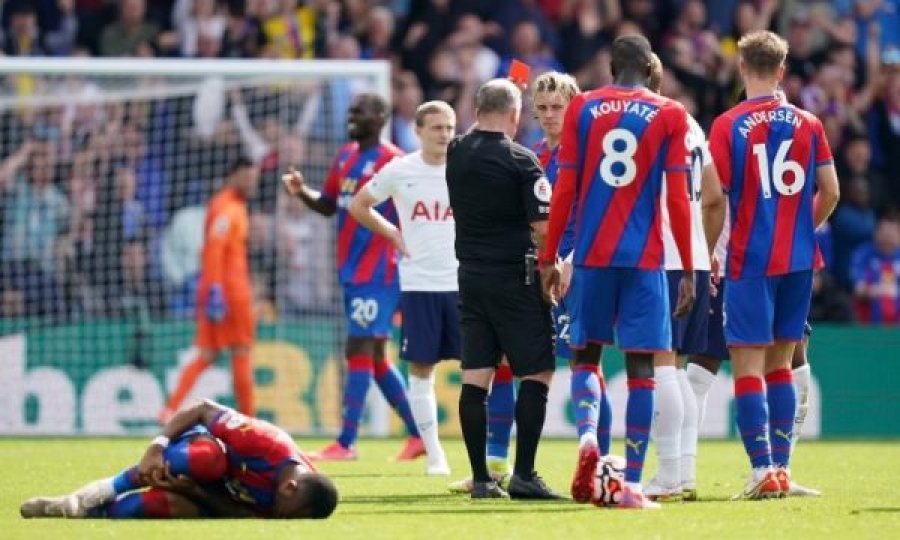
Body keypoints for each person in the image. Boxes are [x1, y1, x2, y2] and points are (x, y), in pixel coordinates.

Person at [541, 34, 697, 510]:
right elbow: (676, 197)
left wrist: (550, 256)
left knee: (586, 357)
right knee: (643, 368)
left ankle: (589, 437)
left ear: (610, 67)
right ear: (651, 65)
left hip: (590, 255)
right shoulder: (670, 113)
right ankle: (626, 479)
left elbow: (564, 187)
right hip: (644, 259)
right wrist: (688, 265)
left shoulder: (583, 107)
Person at [707, 30, 839, 500]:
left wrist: (706, 254)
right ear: (782, 69)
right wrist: (803, 228)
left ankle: (762, 469)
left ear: (742, 68)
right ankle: (781, 469)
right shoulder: (810, 123)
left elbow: (714, 197)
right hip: (798, 260)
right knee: (782, 365)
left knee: (747, 366)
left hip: (749, 258)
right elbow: (833, 190)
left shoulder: (726, 124)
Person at [282, 93, 423, 461]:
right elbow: (330, 205)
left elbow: (412, 211)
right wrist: (302, 193)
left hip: (379, 269)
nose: (352, 116)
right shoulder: (345, 156)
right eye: (351, 111)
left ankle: (345, 443)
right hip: (350, 269)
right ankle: (418, 434)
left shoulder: (393, 161)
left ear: (380, 116)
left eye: (359, 111)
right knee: (374, 355)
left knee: (358, 348)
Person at [446, 78, 561, 500]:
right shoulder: (523, 161)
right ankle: (525, 474)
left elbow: (472, 135)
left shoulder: (455, 153)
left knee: (477, 377)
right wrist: (551, 266)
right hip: (515, 277)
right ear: (516, 116)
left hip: (470, 277)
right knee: (537, 371)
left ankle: (480, 479)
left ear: (476, 110)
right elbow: (544, 229)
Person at [348, 100, 458, 476]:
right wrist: (392, 232)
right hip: (420, 284)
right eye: (436, 128)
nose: (444, 134)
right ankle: (434, 455)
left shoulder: (465, 166)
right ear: (419, 131)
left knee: (481, 370)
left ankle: (488, 457)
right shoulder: (400, 169)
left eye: (448, 127)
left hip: (465, 284)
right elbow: (359, 205)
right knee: (421, 371)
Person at [20, 399, 338, 519]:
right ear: (290, 489)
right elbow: (200, 408)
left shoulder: (299, 493)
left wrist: (193, 492)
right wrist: (156, 447)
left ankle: (85, 513)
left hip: (211, 490)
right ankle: (103, 489)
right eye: (288, 515)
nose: (282, 521)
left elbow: (237, 513)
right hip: (200, 449)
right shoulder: (266, 442)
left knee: (168, 506)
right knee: (208, 460)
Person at [643, 53, 726, 502]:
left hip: (661, 257)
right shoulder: (691, 124)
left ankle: (668, 475)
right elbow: (715, 198)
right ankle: (685, 472)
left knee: (663, 367)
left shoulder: (649, 124)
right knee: (677, 365)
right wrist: (706, 251)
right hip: (693, 256)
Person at [159, 158, 260, 422]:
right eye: (248, 177)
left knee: (208, 354)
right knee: (241, 351)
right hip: (230, 291)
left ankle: (169, 409)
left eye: (255, 178)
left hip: (217, 289)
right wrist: (216, 287)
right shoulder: (227, 206)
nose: (252, 183)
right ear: (234, 175)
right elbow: (215, 247)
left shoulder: (230, 205)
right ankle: (250, 420)